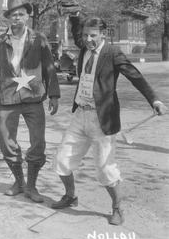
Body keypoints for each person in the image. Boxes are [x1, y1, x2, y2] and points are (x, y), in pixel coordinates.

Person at [51, 14, 167, 225]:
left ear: (103, 34)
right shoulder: (85, 47)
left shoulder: (112, 52)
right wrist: (75, 16)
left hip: (102, 118)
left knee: (106, 169)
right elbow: (78, 32)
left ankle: (117, 208)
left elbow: (135, 76)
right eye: (85, 35)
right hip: (80, 115)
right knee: (61, 161)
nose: (88, 40)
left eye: (93, 35)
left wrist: (154, 100)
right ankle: (70, 196)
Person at [0, 0, 60, 203]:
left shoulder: (39, 39)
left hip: (33, 96)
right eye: (13, 14)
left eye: (21, 14)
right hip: (7, 97)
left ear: (27, 16)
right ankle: (19, 181)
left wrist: (54, 94)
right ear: (8, 18)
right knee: (6, 142)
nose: (17, 18)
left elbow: (50, 67)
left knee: (38, 142)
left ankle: (32, 186)